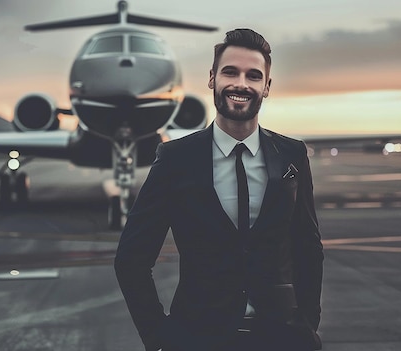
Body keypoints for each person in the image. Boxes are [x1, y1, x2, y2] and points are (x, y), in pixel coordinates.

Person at [115, 28, 324, 351]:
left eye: (253, 75)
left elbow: (309, 249)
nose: (241, 84)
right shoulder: (175, 159)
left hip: (283, 338)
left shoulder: (292, 155)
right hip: (198, 339)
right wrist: (159, 337)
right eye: (230, 72)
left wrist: (307, 324)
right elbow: (131, 258)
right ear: (212, 78)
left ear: (266, 87)